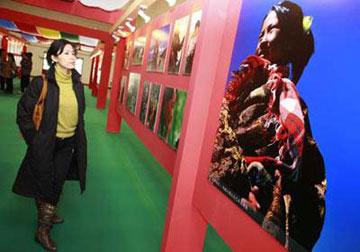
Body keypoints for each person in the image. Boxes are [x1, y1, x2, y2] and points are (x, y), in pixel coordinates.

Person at [209, 1, 326, 251]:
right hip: (220, 197)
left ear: (290, 41)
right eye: (260, 32)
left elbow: (305, 178)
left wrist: (262, 181)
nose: (262, 40)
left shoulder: (290, 102)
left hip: (255, 211)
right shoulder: (241, 89)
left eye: (270, 30)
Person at [13, 39, 87, 251]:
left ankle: (47, 212)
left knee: (57, 181)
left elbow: (79, 114)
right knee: (46, 180)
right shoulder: (41, 83)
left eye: (74, 53)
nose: (72, 57)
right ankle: (42, 230)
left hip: (68, 143)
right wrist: (35, 141)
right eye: (66, 53)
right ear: (54, 58)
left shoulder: (77, 85)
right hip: (45, 143)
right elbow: (23, 113)